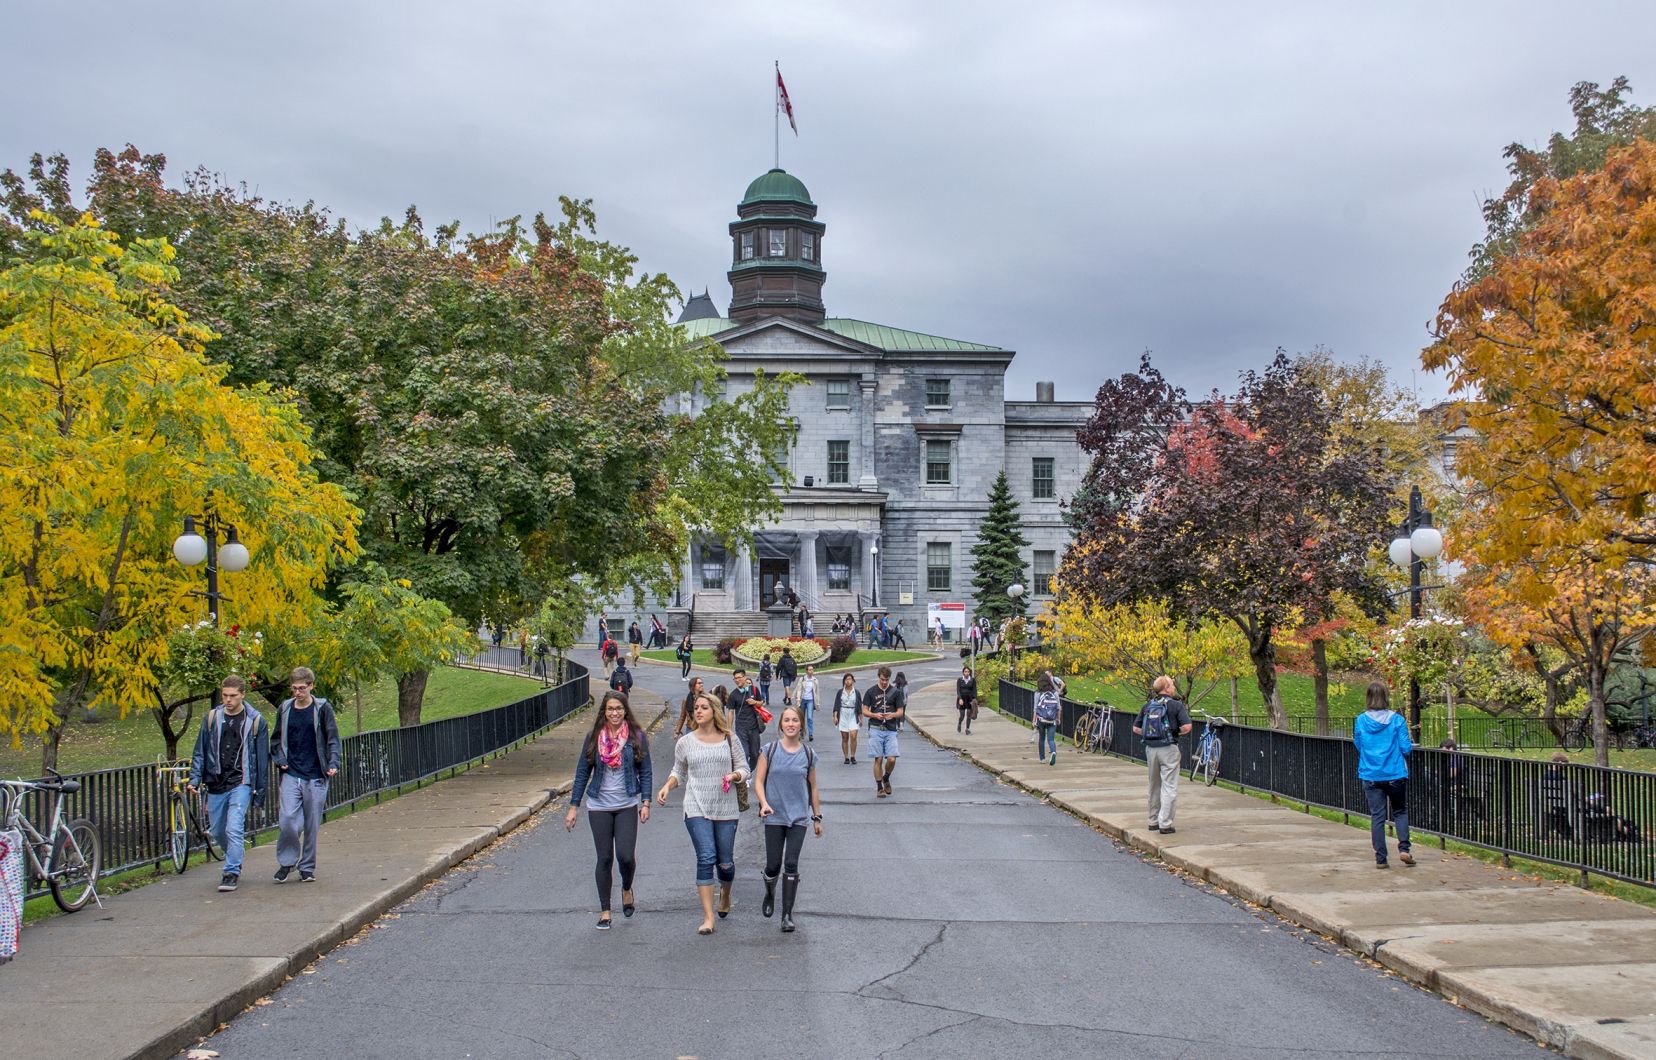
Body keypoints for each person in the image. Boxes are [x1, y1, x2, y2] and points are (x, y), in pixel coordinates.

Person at [656, 691, 749, 934]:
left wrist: (735, 775)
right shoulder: (685, 742)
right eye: (696, 707)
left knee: (725, 863)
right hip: (696, 805)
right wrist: (667, 786)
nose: (698, 711)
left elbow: (744, 768)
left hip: (726, 808)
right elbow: (679, 771)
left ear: (714, 711)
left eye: (704, 707)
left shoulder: (729, 738)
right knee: (706, 857)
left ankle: (725, 893)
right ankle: (708, 918)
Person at [566, 691, 652, 929]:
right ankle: (605, 910)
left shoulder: (636, 737)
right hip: (599, 805)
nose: (615, 713)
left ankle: (626, 887)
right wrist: (574, 807)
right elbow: (582, 772)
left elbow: (645, 770)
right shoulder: (594, 737)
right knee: (604, 858)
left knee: (625, 856)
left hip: (626, 804)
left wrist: (646, 802)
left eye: (619, 709)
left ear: (626, 711)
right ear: (604, 711)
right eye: (610, 709)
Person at [188, 675, 270, 893]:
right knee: (217, 830)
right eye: (225, 695)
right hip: (215, 782)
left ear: (243, 694)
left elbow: (262, 759)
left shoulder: (255, 721)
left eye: (233, 696)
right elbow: (200, 751)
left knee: (234, 827)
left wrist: (259, 791)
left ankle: (231, 871)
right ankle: (235, 855)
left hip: (241, 782)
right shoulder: (212, 718)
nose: (228, 700)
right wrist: (194, 779)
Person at [754, 705, 823, 933]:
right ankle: (770, 890)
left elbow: (813, 787)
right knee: (773, 865)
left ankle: (787, 914)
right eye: (787, 720)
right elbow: (758, 781)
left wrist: (816, 816)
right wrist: (764, 803)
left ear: (801, 724)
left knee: (791, 863)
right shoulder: (770, 750)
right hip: (774, 816)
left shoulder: (808, 754)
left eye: (795, 720)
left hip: (798, 818)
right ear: (781, 724)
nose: (791, 724)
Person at [271, 667, 341, 884]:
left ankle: (307, 868)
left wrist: (333, 762)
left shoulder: (322, 709)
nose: (298, 693)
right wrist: (280, 760)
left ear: (311, 686)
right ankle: (287, 862)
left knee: (311, 824)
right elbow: (276, 740)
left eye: (302, 688)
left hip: (316, 774)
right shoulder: (285, 709)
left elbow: (332, 738)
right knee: (288, 820)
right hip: (291, 772)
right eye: (294, 688)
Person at [1353, 681, 1415, 868]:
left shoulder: (1361, 720)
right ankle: (1404, 849)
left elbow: (1358, 744)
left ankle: (1381, 858)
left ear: (1368, 697)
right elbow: (1405, 747)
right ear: (1386, 697)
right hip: (1395, 773)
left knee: (1377, 816)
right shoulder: (1397, 720)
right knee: (1400, 811)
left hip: (1371, 773)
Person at [1133, 675, 1192, 834]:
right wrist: (1174, 733)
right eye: (1172, 685)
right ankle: (1165, 823)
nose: (1173, 687)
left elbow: (1136, 728)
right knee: (1169, 785)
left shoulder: (1148, 705)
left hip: (1151, 749)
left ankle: (1152, 821)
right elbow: (1187, 727)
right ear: (1166, 688)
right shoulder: (1176, 705)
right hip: (1169, 749)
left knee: (1154, 785)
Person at [861, 667, 905, 798]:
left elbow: (901, 711)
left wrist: (892, 715)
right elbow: (864, 710)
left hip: (891, 729)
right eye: (882, 679)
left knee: (891, 759)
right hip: (875, 728)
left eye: (886, 680)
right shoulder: (871, 691)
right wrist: (874, 715)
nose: (884, 682)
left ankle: (886, 777)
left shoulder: (896, 692)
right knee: (878, 758)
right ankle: (879, 787)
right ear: (878, 677)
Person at [730, 668, 767, 771]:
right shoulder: (733, 694)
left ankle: (749, 771)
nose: (737, 680)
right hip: (741, 728)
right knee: (744, 753)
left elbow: (761, 703)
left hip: (754, 727)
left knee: (755, 755)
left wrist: (754, 702)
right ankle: (745, 775)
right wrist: (728, 729)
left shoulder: (754, 690)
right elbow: (730, 712)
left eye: (739, 677)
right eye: (735, 678)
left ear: (745, 677)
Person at [1032, 670, 1067, 765]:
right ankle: (1053, 752)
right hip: (1052, 719)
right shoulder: (1054, 693)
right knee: (1051, 739)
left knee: (1042, 738)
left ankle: (1042, 758)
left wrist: (1034, 720)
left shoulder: (1038, 693)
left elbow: (1035, 708)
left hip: (1041, 719)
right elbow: (1058, 707)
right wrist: (1058, 718)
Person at [835, 672, 861, 764]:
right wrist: (835, 717)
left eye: (850, 679)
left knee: (853, 735)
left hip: (853, 713)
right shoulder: (840, 692)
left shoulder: (856, 692)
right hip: (843, 713)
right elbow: (836, 705)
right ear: (844, 681)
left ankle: (853, 756)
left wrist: (860, 718)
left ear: (853, 681)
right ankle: (846, 757)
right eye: (846, 679)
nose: (848, 681)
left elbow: (859, 706)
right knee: (845, 737)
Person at [798, 664, 818, 742]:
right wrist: (798, 699)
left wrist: (817, 702)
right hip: (803, 700)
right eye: (810, 670)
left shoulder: (815, 680)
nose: (811, 671)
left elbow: (817, 692)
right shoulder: (802, 679)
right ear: (806, 671)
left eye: (812, 669)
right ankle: (802, 732)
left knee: (809, 717)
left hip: (810, 700)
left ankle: (810, 734)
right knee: (801, 717)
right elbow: (799, 689)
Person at [956, 664, 978, 734]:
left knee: (969, 714)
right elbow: (958, 690)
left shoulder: (972, 680)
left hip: (969, 699)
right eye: (965, 671)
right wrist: (960, 699)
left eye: (968, 672)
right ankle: (959, 723)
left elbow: (974, 690)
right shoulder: (960, 680)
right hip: (962, 699)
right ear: (963, 672)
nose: (967, 673)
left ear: (969, 672)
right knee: (962, 715)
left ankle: (967, 729)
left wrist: (974, 700)